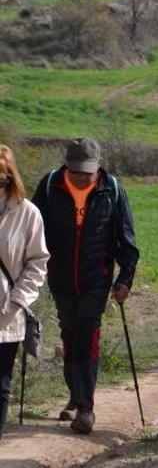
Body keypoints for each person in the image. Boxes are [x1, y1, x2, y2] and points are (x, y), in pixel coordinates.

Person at [32, 138, 139, 434]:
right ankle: (76, 396)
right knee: (69, 334)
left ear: (99, 166)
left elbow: (126, 241)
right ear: (67, 165)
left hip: (97, 278)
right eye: (76, 171)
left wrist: (124, 279)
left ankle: (85, 408)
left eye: (87, 172)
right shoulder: (51, 186)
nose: (82, 177)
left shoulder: (112, 190)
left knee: (88, 332)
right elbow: (32, 229)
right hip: (61, 277)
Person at [0, 145, 49, 439]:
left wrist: (17, 301)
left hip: (6, 315)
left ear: (10, 179)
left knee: (0, 385)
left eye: (1, 180)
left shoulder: (27, 213)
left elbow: (38, 262)